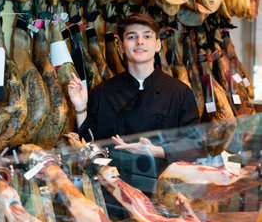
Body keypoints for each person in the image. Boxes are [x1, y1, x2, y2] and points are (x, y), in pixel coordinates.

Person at [68, 13, 200, 166]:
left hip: (164, 184)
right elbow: (89, 145)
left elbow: (194, 146)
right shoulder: (103, 92)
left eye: (147, 36)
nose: (139, 42)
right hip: (116, 183)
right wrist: (80, 107)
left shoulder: (179, 92)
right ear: (121, 46)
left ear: (158, 45)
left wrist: (156, 151)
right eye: (131, 37)